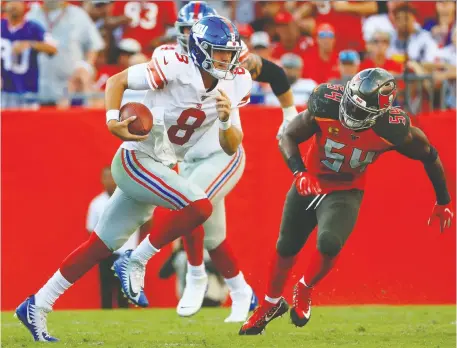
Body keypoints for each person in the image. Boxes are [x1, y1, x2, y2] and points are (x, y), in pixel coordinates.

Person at [15, 15, 249, 342]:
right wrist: (112, 120)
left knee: (98, 246)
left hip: (161, 166)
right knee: (200, 206)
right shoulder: (174, 65)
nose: (227, 59)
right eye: (219, 52)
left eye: (229, 52)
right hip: (137, 159)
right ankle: (135, 260)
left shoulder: (233, 83)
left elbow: (231, 145)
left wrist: (225, 121)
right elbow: (116, 82)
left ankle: (37, 305)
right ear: (199, 50)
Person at [239, 68, 454, 335]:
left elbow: (430, 154)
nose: (351, 113)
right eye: (351, 104)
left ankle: (304, 288)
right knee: (286, 246)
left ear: (380, 111)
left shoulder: (393, 128)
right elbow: (289, 135)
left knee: (329, 243)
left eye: (361, 110)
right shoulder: (326, 101)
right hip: (311, 182)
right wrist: (299, 172)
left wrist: (443, 200)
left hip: (345, 190)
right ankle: (269, 305)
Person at [153, 1, 300, 322]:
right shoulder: (171, 60)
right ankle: (244, 294)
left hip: (222, 152)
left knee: (189, 206)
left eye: (198, 32)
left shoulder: (230, 60)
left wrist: (289, 113)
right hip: (189, 158)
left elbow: (274, 73)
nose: (193, 37)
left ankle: (193, 277)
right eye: (187, 32)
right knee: (215, 237)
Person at [86, 167, 151, 309]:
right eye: (106, 177)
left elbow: (146, 222)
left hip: (128, 253)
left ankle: (124, 320)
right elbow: (91, 230)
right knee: (106, 290)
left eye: (112, 177)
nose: (110, 181)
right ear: (102, 180)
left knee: (125, 292)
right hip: (106, 253)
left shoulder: (131, 199)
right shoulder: (96, 204)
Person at [26, 0, 104, 106]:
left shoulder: (78, 15)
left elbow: (94, 45)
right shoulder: (32, 15)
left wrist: (85, 66)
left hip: (69, 91)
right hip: (36, 90)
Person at [1, 1, 57, 109]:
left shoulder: (34, 27)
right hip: (3, 89)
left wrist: (31, 44)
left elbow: (53, 48)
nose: (14, 5)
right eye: (10, 1)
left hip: (27, 89)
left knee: (27, 123)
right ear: (4, 6)